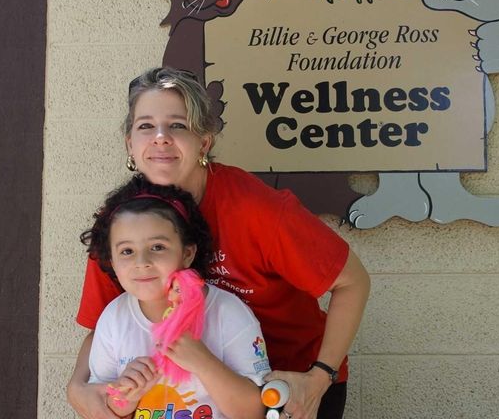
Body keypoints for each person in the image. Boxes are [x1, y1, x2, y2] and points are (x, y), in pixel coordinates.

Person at [67, 67, 371, 419]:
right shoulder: (122, 223)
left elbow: (353, 282)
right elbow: (102, 322)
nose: (161, 137)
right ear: (130, 143)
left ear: (205, 142)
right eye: (146, 126)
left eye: (178, 125)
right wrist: (77, 387)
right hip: (186, 398)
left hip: (288, 384)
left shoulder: (257, 210)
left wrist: (319, 378)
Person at [82, 177, 269, 418]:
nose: (142, 263)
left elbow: (255, 411)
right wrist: (127, 395)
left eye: (158, 247)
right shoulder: (113, 319)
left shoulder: (227, 311)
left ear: (188, 253)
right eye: (127, 251)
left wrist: (203, 362)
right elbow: (104, 407)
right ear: (112, 262)